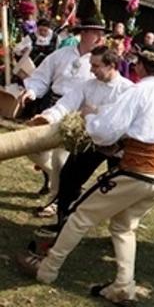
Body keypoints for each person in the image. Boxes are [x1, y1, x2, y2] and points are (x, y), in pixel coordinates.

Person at [16, 43, 154, 306]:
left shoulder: (136, 92)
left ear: (139, 65)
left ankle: (47, 269)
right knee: (124, 226)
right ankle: (124, 286)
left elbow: (105, 131)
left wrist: (90, 117)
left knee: (81, 214)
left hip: (137, 172)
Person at [27, 46, 133, 234]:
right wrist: (48, 118)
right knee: (68, 177)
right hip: (92, 141)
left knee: (121, 189)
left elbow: (128, 121)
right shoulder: (88, 85)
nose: (91, 69)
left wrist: (97, 113)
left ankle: (122, 231)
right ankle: (62, 222)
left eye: (96, 65)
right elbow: (66, 104)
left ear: (112, 66)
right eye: (91, 64)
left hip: (120, 147)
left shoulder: (128, 90)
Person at [19, 17, 106, 216]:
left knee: (61, 159)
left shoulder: (100, 61)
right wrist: (31, 92)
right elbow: (41, 78)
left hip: (79, 115)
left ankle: (54, 201)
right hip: (54, 107)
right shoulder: (61, 55)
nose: (99, 37)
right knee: (32, 147)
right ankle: (54, 178)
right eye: (95, 32)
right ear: (83, 33)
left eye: (101, 34)